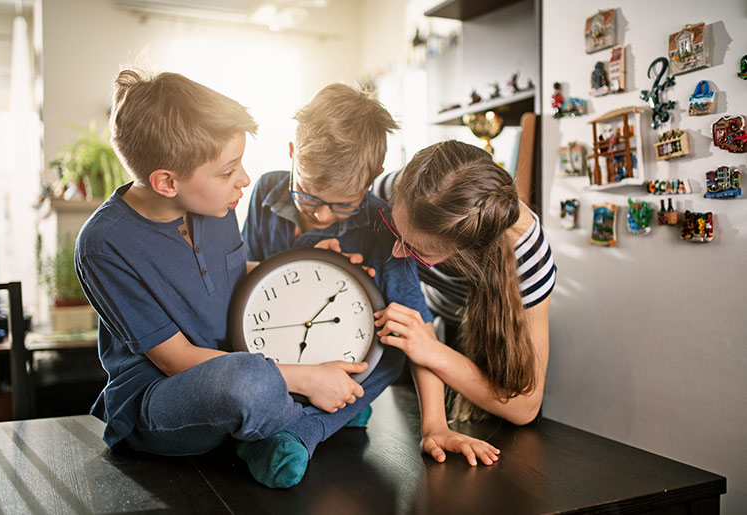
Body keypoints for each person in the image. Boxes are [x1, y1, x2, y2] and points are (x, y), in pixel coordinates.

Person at [75, 69, 372, 490]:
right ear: (166, 181)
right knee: (247, 383)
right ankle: (306, 420)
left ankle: (289, 416)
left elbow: (230, 277)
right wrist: (304, 378)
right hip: (162, 396)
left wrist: (304, 267)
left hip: (243, 358)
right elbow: (174, 360)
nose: (245, 180)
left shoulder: (215, 204)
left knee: (269, 363)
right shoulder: (104, 245)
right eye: (228, 170)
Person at [243, 85, 500, 467]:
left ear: (372, 179)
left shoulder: (383, 229)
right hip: (274, 346)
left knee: (390, 358)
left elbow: (416, 330)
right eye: (310, 196)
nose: (323, 216)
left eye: (343, 205)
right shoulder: (264, 190)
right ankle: (337, 412)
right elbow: (243, 280)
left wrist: (434, 424)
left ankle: (303, 430)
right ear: (293, 154)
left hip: (345, 357)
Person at [373, 140, 555, 462]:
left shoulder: (528, 257)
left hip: (479, 337)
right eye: (394, 230)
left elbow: (526, 406)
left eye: (418, 251)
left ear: (467, 252)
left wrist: (432, 350)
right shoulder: (399, 189)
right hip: (423, 324)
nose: (396, 252)